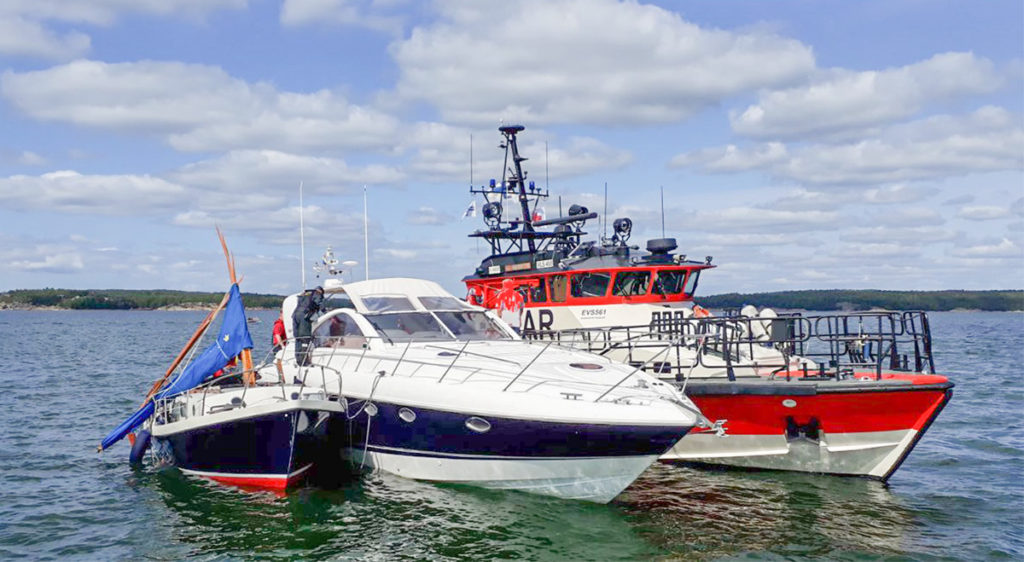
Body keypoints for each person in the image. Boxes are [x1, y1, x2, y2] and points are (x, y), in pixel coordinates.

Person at [292, 286, 324, 366]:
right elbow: (319, 305)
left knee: (298, 338)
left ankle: (298, 359)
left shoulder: (305, 293)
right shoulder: (317, 294)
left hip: (295, 316)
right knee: (305, 338)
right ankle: (304, 361)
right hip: (304, 316)